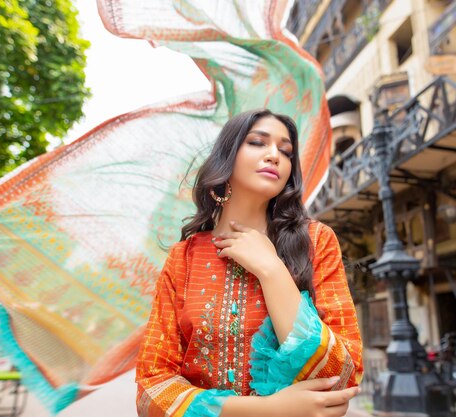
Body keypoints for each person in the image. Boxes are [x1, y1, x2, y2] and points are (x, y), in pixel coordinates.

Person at [136, 109, 363, 417]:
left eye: (285, 151)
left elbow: (342, 378)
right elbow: (151, 390)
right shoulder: (184, 258)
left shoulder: (316, 241)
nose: (274, 155)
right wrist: (267, 410)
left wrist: (271, 270)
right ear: (226, 157)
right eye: (258, 142)